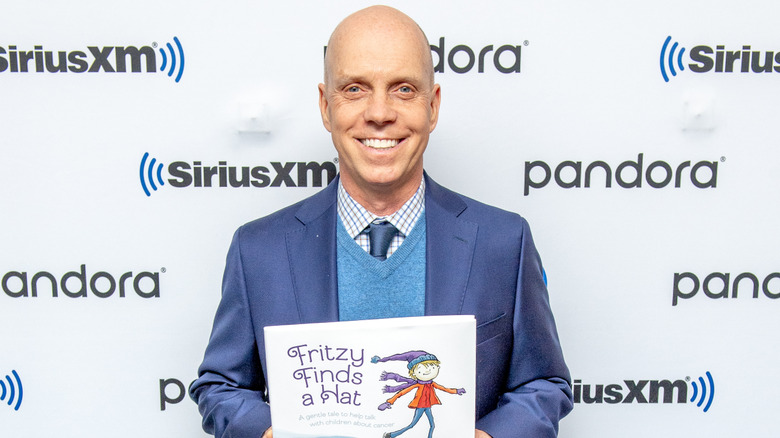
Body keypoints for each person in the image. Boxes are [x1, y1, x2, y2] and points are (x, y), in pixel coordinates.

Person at [190, 5, 572, 438]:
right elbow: (221, 386)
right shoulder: (258, 249)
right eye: (354, 89)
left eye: (403, 89)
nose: (379, 112)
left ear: (433, 105)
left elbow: (543, 383)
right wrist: (267, 433)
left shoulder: (504, 241)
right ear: (325, 106)